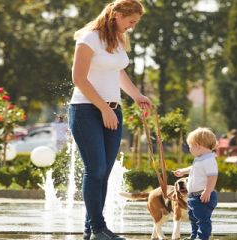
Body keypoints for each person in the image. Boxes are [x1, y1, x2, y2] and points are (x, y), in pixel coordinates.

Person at [68, 1, 151, 239]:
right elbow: (79, 79)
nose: (132, 27)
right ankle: (98, 228)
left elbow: (118, 71)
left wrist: (137, 95)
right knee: (95, 170)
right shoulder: (89, 38)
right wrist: (104, 108)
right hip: (86, 110)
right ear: (116, 15)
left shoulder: (117, 40)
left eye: (135, 23)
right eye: (130, 21)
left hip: (112, 110)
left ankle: (90, 230)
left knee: (104, 173)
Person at [173, 127, 219, 240]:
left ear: (198, 145)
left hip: (202, 196)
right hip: (194, 197)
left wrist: (207, 191)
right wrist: (183, 171)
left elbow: (212, 176)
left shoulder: (209, 160)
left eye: (190, 146)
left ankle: (202, 237)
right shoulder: (201, 158)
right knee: (194, 219)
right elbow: (194, 168)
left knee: (202, 220)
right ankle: (194, 236)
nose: (189, 149)